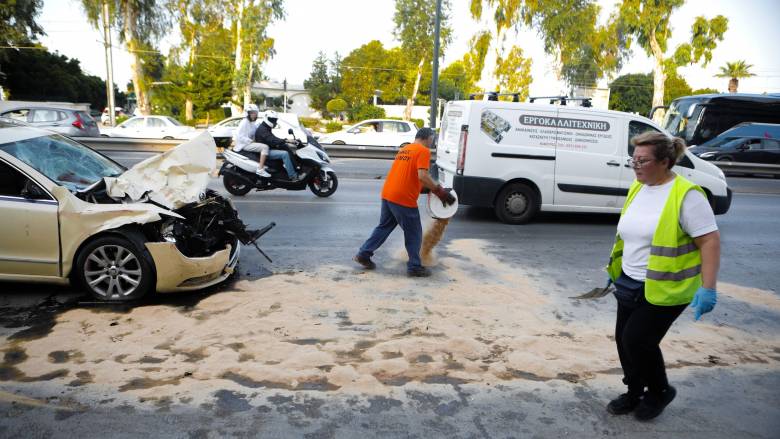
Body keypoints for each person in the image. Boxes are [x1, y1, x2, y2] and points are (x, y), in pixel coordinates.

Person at [605, 131, 721, 421]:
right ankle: (634, 392)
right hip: (630, 280)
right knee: (623, 340)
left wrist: (708, 287)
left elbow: (709, 241)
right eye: (634, 159)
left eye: (642, 160)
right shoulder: (639, 187)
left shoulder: (687, 195)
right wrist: (616, 270)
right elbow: (630, 235)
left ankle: (659, 391)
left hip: (667, 286)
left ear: (665, 162)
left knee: (638, 340)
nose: (636, 165)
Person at [354, 127, 456, 277]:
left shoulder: (405, 149)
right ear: (428, 138)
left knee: (384, 227)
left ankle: (363, 254)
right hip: (403, 198)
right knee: (414, 232)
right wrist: (439, 191)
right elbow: (422, 175)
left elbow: (409, 175)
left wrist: (424, 189)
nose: (432, 143)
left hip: (388, 193)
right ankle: (414, 267)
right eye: (433, 139)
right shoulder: (423, 151)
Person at [254, 110, 299, 181]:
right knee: (285, 154)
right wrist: (286, 140)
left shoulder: (266, 127)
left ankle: (290, 169)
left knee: (284, 147)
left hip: (268, 148)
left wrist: (284, 141)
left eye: (275, 120)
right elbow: (272, 140)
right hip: (265, 152)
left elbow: (273, 139)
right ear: (266, 118)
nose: (274, 121)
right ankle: (293, 175)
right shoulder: (263, 129)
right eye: (272, 119)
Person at [233, 104, 271, 178]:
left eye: (255, 113)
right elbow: (239, 135)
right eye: (252, 113)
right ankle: (260, 169)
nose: (254, 115)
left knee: (264, 145)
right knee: (265, 147)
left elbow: (255, 130)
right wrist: (250, 141)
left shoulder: (251, 123)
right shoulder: (244, 122)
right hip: (243, 145)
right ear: (247, 113)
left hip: (247, 143)